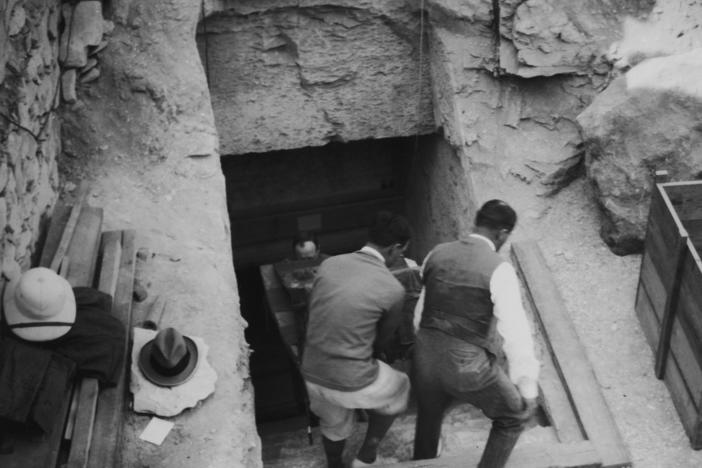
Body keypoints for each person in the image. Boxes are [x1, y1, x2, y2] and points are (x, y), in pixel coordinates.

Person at [412, 200, 540, 467]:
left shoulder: (436, 253)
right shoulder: (498, 268)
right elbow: (515, 332)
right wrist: (527, 387)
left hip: (424, 356)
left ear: (476, 222)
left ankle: (421, 463)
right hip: (465, 365)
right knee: (513, 417)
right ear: (502, 234)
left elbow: (419, 315)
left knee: (429, 414)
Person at [301, 211, 412, 468]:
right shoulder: (393, 289)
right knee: (400, 386)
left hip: (311, 373)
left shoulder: (329, 264)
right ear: (395, 248)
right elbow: (380, 343)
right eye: (403, 252)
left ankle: (334, 464)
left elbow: (314, 312)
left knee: (334, 422)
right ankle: (366, 456)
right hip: (349, 380)